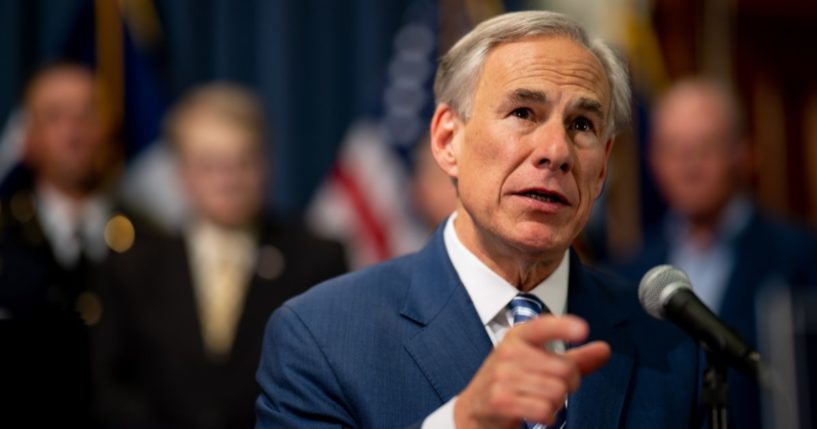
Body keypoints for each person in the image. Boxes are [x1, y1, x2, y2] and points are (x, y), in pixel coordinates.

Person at [256, 11, 699, 428]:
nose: (557, 151)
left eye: (581, 124)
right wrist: (462, 422)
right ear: (449, 140)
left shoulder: (671, 345)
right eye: (523, 113)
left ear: (601, 167)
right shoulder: (321, 337)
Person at [91, 84, 348, 429]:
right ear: (182, 173)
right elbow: (110, 386)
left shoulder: (317, 260)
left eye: (243, 161)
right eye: (211, 165)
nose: (229, 180)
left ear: (266, 164)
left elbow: (329, 382)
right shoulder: (132, 267)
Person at [609, 78, 817, 429]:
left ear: (745, 152)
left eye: (705, 146)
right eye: (673, 148)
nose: (689, 165)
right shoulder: (628, 275)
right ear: (653, 160)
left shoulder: (801, 257)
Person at [0, 62, 128, 425]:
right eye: (55, 116)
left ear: (110, 129)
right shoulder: (5, 238)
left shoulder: (152, 241)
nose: (73, 132)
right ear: (28, 137)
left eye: (87, 114)